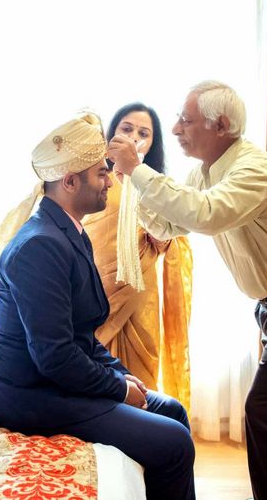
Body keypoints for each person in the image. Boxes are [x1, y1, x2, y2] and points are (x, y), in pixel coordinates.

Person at [107, 81, 267, 500]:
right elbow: (170, 225)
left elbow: (207, 214)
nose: (176, 129)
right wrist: (133, 187)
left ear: (220, 125)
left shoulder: (256, 169)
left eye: (186, 120)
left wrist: (139, 171)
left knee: (265, 413)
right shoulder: (205, 171)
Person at [0, 113, 196, 500]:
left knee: (172, 410)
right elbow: (55, 356)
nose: (110, 181)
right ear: (70, 181)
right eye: (101, 174)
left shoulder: (69, 232)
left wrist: (124, 377)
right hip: (24, 392)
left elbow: (83, 334)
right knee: (174, 441)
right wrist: (115, 388)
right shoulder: (40, 247)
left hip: (52, 379)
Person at [82, 103, 193, 406]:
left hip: (138, 291)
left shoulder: (156, 185)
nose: (134, 138)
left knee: (140, 369)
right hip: (94, 285)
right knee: (90, 360)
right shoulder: (94, 176)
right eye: (127, 129)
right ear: (111, 133)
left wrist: (161, 235)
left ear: (152, 143)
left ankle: (139, 434)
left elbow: (172, 237)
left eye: (144, 134)